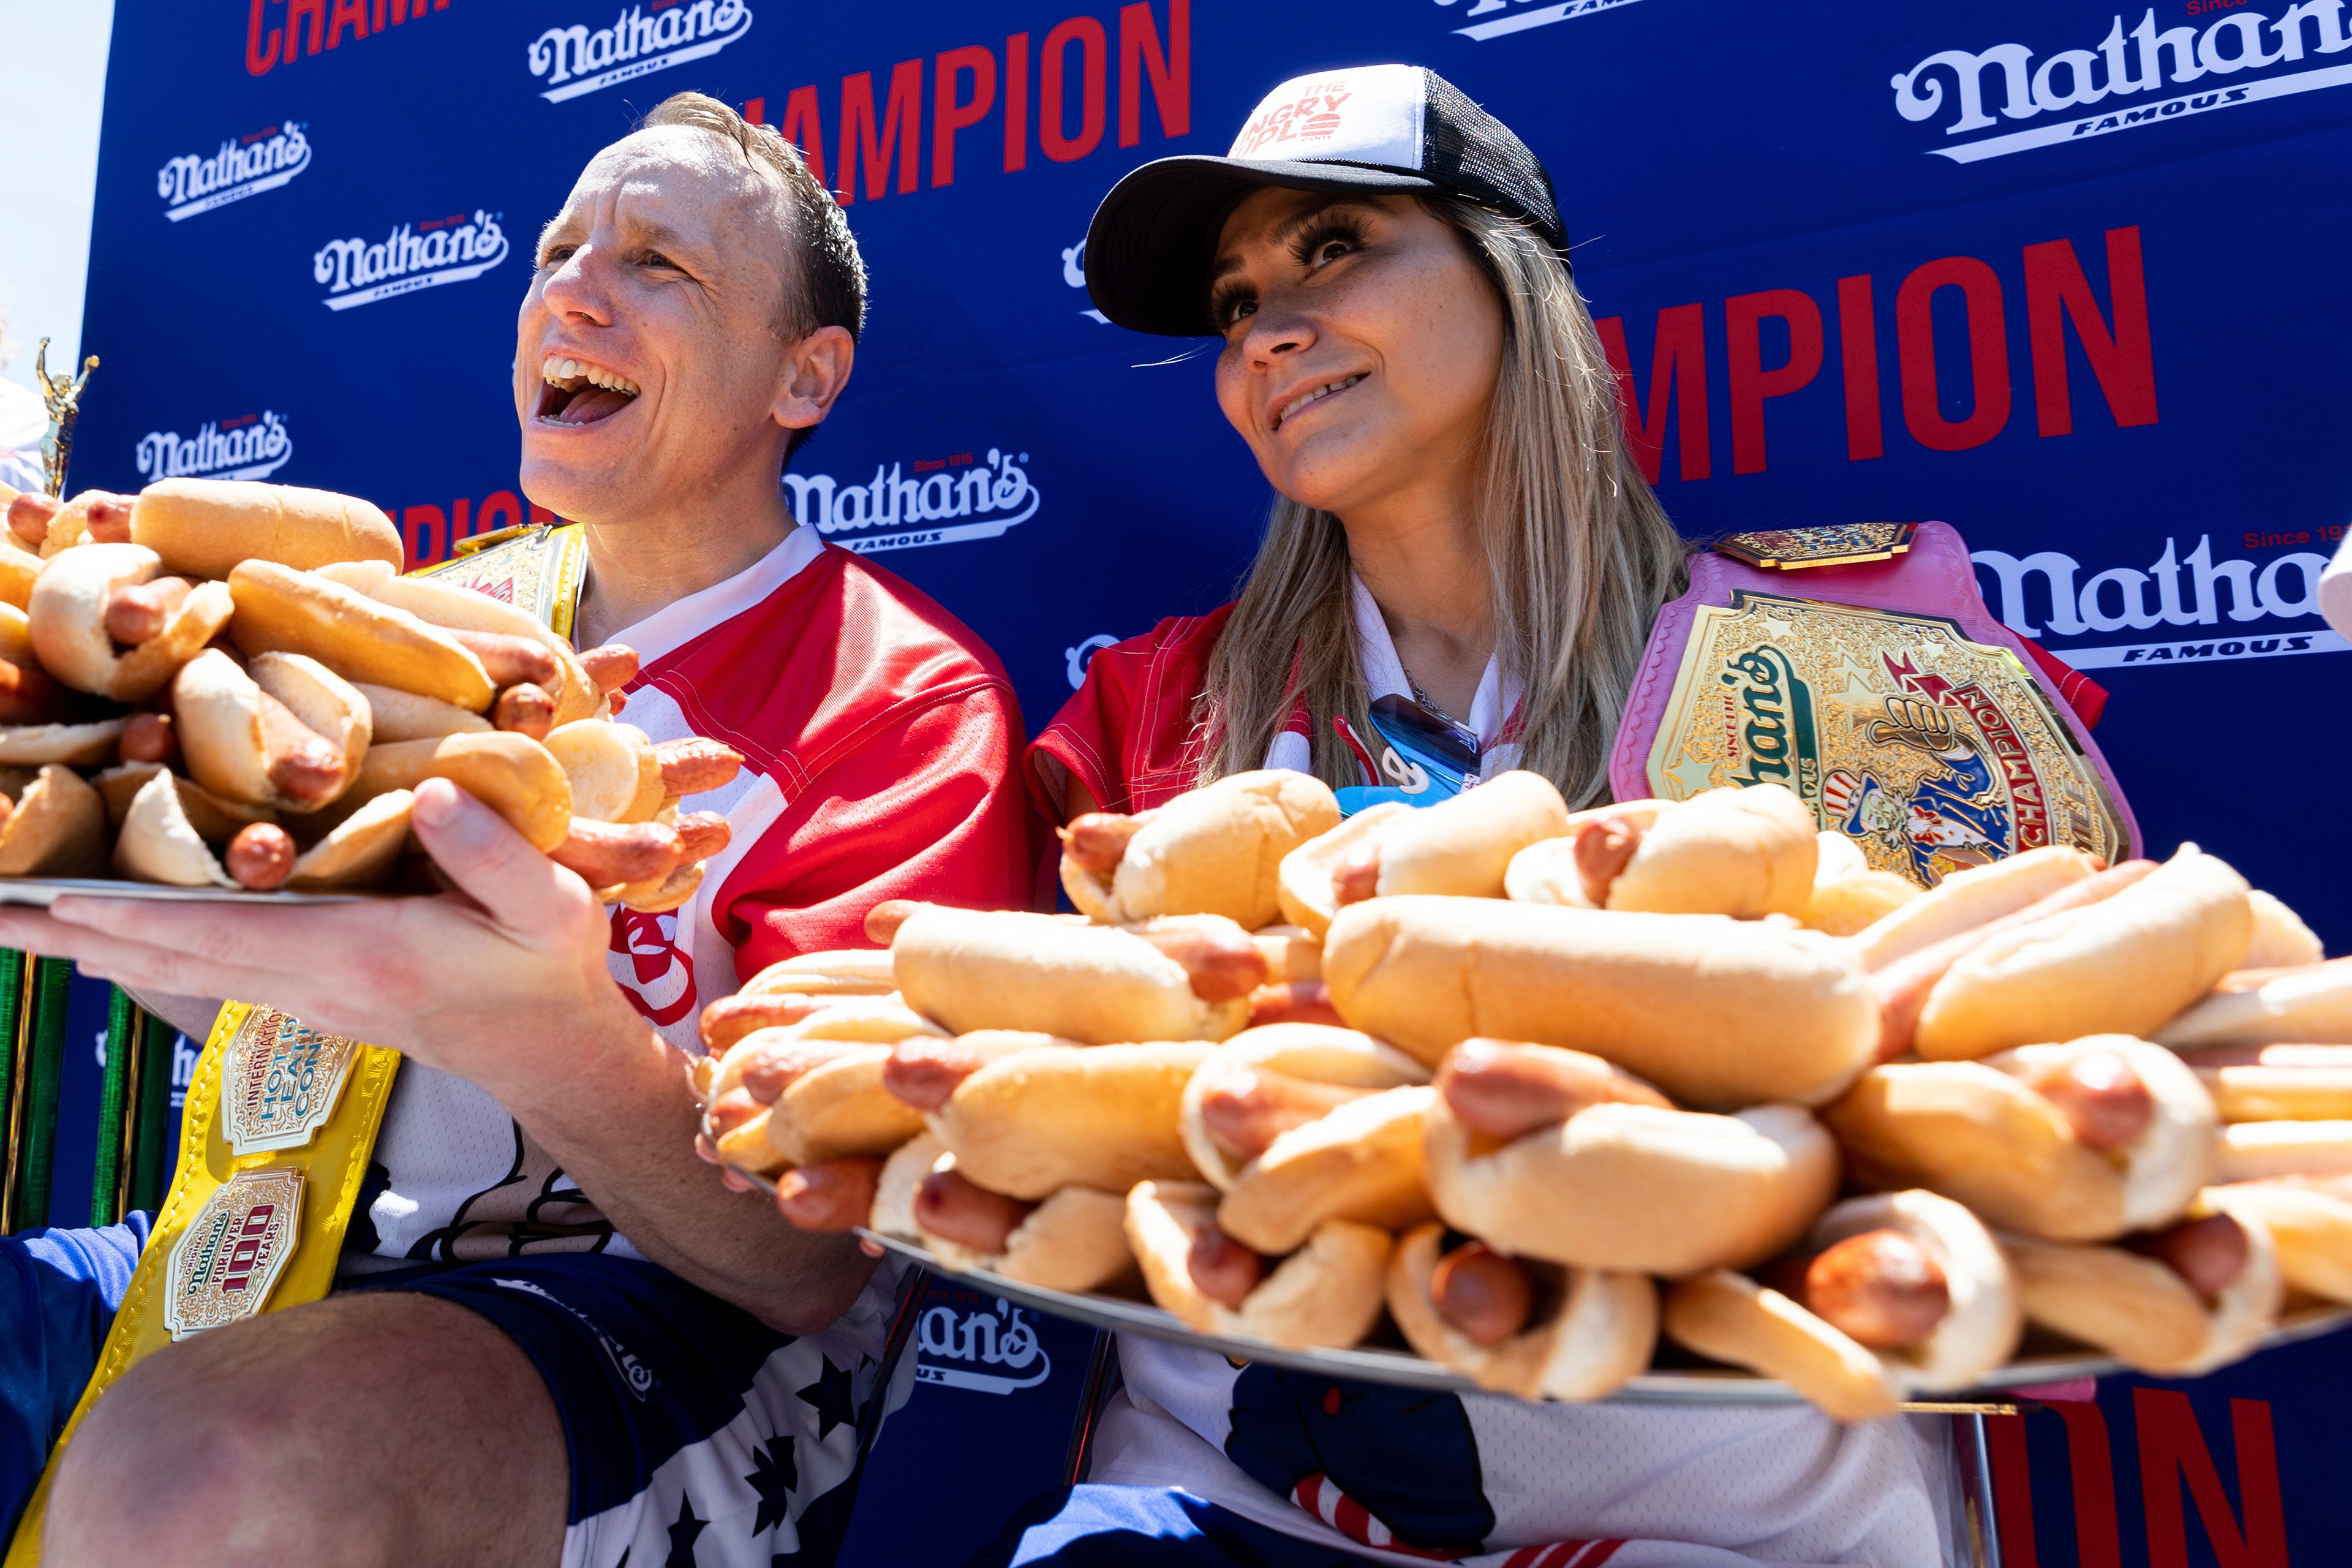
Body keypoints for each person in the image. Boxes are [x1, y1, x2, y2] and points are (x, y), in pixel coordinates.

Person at [993, 65, 2042, 1566]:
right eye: (1236, 303)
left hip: (1749, 1531)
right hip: (1219, 1520)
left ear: (1513, 280)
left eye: (1336, 248)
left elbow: (2013, 1157)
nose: (1269, 331)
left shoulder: (1845, 661)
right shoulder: (1150, 716)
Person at [0, 92, 1033, 1567]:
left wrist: (535, 1022)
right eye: (557, 250)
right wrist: (107, 903)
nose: (575, 288)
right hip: (276, 1238)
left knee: (208, 1479)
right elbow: (271, 1001)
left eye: (658, 264)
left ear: (804, 377)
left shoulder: (904, 697)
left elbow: (807, 1265)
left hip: (680, 1318)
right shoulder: (442, 618)